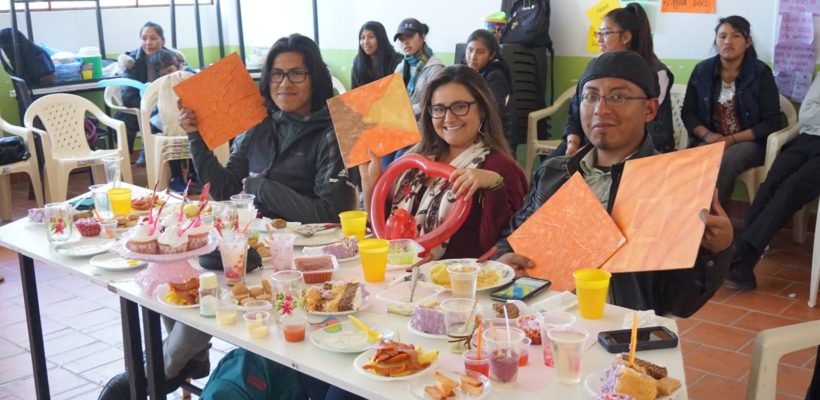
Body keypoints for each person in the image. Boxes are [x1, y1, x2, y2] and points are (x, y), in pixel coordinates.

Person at [98, 34, 356, 399]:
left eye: (297, 74)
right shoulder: (260, 123)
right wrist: (196, 137)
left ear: (315, 76)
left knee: (213, 283)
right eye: (277, 74)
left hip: (305, 260)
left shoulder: (333, 130)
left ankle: (162, 369)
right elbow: (223, 187)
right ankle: (182, 358)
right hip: (253, 247)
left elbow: (331, 212)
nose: (285, 83)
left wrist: (260, 187)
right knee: (188, 272)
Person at [495, 51, 733, 317]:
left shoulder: (670, 185)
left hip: (620, 333)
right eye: (590, 96)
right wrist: (503, 262)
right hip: (545, 323)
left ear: (650, 109)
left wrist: (717, 252)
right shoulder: (554, 173)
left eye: (618, 96)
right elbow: (514, 237)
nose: (600, 109)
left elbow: (679, 304)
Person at [359, 65, 527, 259]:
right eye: (439, 109)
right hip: (398, 276)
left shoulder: (499, 166)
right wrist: (370, 184)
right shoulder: (416, 161)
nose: (448, 118)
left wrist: (493, 186)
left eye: (460, 106)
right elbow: (381, 235)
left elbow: (501, 248)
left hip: (453, 282)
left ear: (482, 110)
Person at [725, 75, 820, 291]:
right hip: (807, 139)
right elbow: (807, 113)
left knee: (793, 186)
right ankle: (743, 264)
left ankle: (740, 254)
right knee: (771, 184)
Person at [681, 15, 781, 207]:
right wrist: (708, 135)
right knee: (690, 160)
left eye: (735, 36)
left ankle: (713, 224)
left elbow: (771, 122)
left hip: (749, 142)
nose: (728, 41)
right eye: (722, 36)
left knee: (726, 161)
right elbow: (688, 113)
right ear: (716, 41)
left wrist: (732, 140)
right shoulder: (702, 70)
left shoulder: (760, 72)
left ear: (747, 42)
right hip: (712, 139)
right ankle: (685, 219)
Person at [556, 3, 676, 158]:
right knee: (551, 171)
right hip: (588, 141)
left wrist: (590, 152)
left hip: (630, 150)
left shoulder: (654, 72)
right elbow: (575, 112)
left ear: (626, 37)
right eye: (598, 33)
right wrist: (572, 143)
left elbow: (637, 128)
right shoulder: (595, 69)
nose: (599, 39)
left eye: (605, 33)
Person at [382, 17, 445, 168]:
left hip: (423, 127)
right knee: (382, 154)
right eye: (401, 39)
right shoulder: (401, 66)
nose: (405, 43)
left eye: (409, 37)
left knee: (397, 163)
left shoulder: (436, 68)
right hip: (400, 125)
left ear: (422, 37)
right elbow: (392, 97)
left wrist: (409, 111)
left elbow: (434, 104)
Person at [145, 48, 198, 193]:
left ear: (179, 66)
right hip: (168, 124)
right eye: (163, 74)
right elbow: (152, 108)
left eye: (170, 71)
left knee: (194, 137)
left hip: (192, 119)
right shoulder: (157, 86)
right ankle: (176, 176)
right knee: (164, 133)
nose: (168, 76)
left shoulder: (188, 75)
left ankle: (195, 173)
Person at [117, 21, 171, 164]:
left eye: (153, 38)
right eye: (144, 38)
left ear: (162, 40)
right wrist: (149, 107)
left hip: (166, 107)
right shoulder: (130, 61)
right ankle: (123, 165)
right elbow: (128, 96)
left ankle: (182, 168)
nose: (148, 43)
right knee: (124, 121)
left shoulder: (171, 58)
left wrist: (159, 107)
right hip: (139, 107)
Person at [462, 29, 512, 144]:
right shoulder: (465, 71)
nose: (473, 56)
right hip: (474, 128)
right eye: (470, 50)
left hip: (492, 134)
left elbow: (494, 110)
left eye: (480, 52)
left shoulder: (495, 75)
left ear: (491, 55)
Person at [351, 21, 402, 89]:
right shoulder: (357, 61)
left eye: (371, 37)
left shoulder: (397, 61)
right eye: (362, 38)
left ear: (381, 39)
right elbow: (354, 91)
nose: (366, 42)